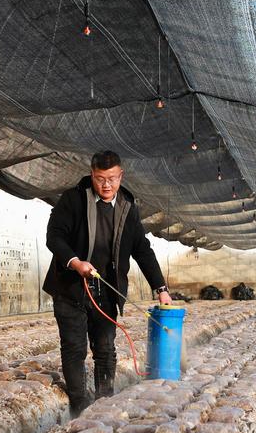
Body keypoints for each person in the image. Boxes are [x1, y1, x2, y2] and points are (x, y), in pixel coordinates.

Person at [43, 151, 172, 416]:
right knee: (74, 348)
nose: (106, 185)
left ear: (120, 176)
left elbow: (142, 250)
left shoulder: (127, 207)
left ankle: (105, 401)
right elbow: (54, 237)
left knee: (105, 348)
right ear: (92, 175)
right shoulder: (73, 199)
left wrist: (161, 289)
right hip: (70, 288)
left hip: (106, 290)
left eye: (112, 179)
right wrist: (75, 262)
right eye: (100, 179)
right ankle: (79, 406)